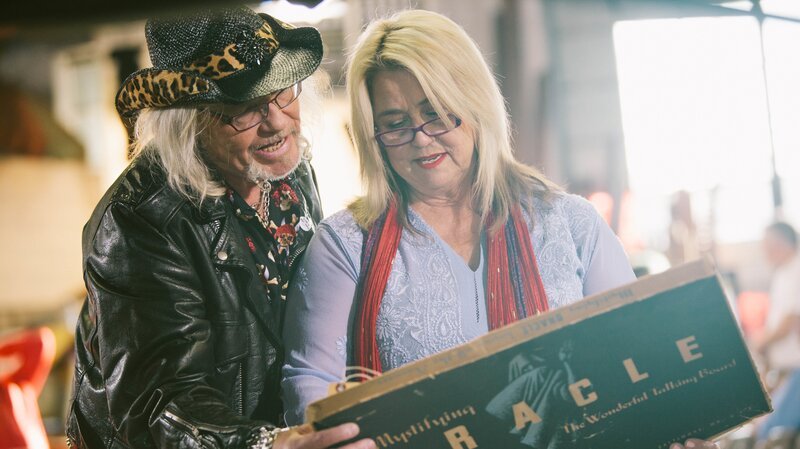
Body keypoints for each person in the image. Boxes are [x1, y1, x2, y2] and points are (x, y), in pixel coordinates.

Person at [281, 10, 718, 449]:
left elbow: (636, 357)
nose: (420, 138)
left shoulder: (571, 226)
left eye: (435, 114)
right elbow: (312, 382)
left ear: (473, 102)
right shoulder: (346, 244)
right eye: (395, 124)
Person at [67, 7, 374, 449]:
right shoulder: (138, 220)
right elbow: (161, 406)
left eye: (282, 92)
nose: (278, 122)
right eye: (245, 109)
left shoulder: (285, 169)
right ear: (189, 122)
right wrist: (269, 444)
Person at [754, 221, 800, 439]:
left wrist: (760, 343)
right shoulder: (783, 273)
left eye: (767, 244)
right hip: (788, 372)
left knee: (773, 433)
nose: (764, 250)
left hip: (797, 370)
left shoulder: (796, 270)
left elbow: (790, 319)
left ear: (780, 243)